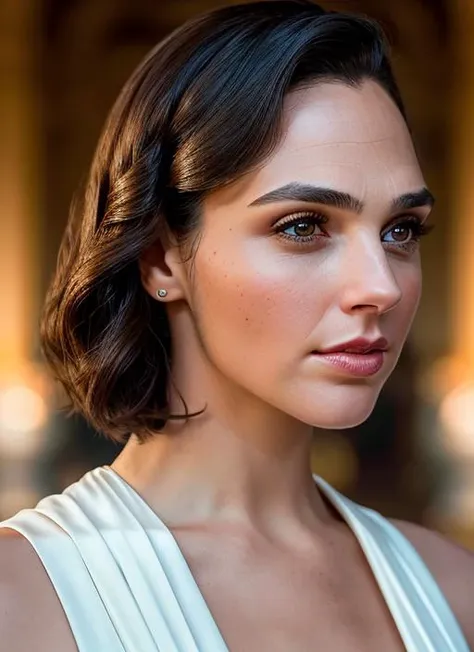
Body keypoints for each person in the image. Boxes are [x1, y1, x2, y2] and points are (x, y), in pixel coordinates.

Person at [0, 1, 473, 650]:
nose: (382, 287)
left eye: (400, 230)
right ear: (161, 255)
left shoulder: (453, 592)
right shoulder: (20, 599)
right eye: (303, 226)